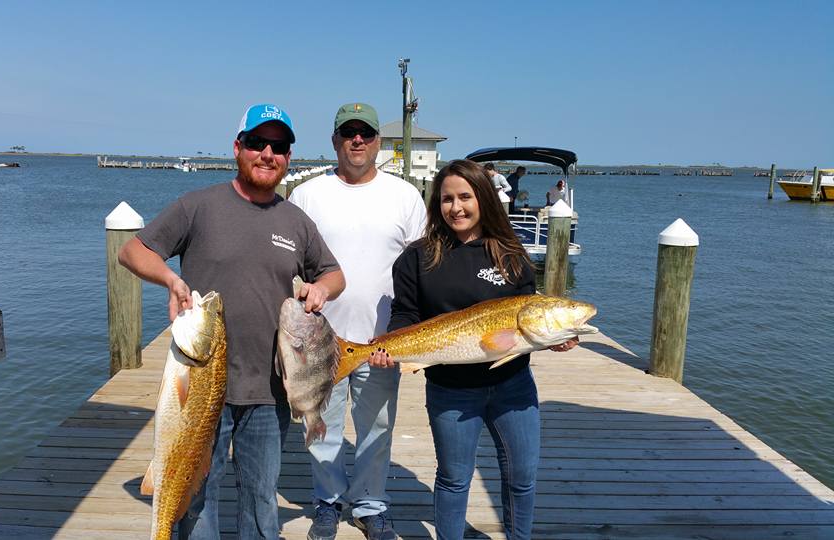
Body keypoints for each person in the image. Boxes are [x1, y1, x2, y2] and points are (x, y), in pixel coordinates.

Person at [118, 103, 346, 540]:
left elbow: (334, 274)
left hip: (270, 389)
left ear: (288, 158)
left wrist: (321, 290)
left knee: (262, 501)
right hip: (203, 386)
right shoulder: (197, 206)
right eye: (258, 143)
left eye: (278, 146)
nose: (267, 153)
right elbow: (132, 251)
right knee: (196, 494)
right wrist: (169, 278)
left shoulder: (296, 221)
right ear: (238, 147)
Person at [368, 160, 578, 540]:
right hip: (450, 389)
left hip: (513, 386)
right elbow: (405, 314)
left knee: (522, 477)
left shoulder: (511, 254)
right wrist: (392, 346)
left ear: (482, 197)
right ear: (437, 205)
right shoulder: (417, 258)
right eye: (447, 199)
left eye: (465, 196)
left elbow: (526, 318)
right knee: (453, 479)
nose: (456, 207)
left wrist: (556, 338)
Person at [289, 102, 426, 540]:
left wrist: (416, 329)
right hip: (319, 338)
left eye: (365, 132)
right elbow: (288, 263)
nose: (357, 140)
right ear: (334, 141)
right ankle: (327, 501)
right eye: (348, 133)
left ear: (378, 142)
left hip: (382, 338)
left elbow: (423, 265)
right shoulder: (308, 194)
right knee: (320, 425)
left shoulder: (403, 194)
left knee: (378, 427)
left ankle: (370, 504)